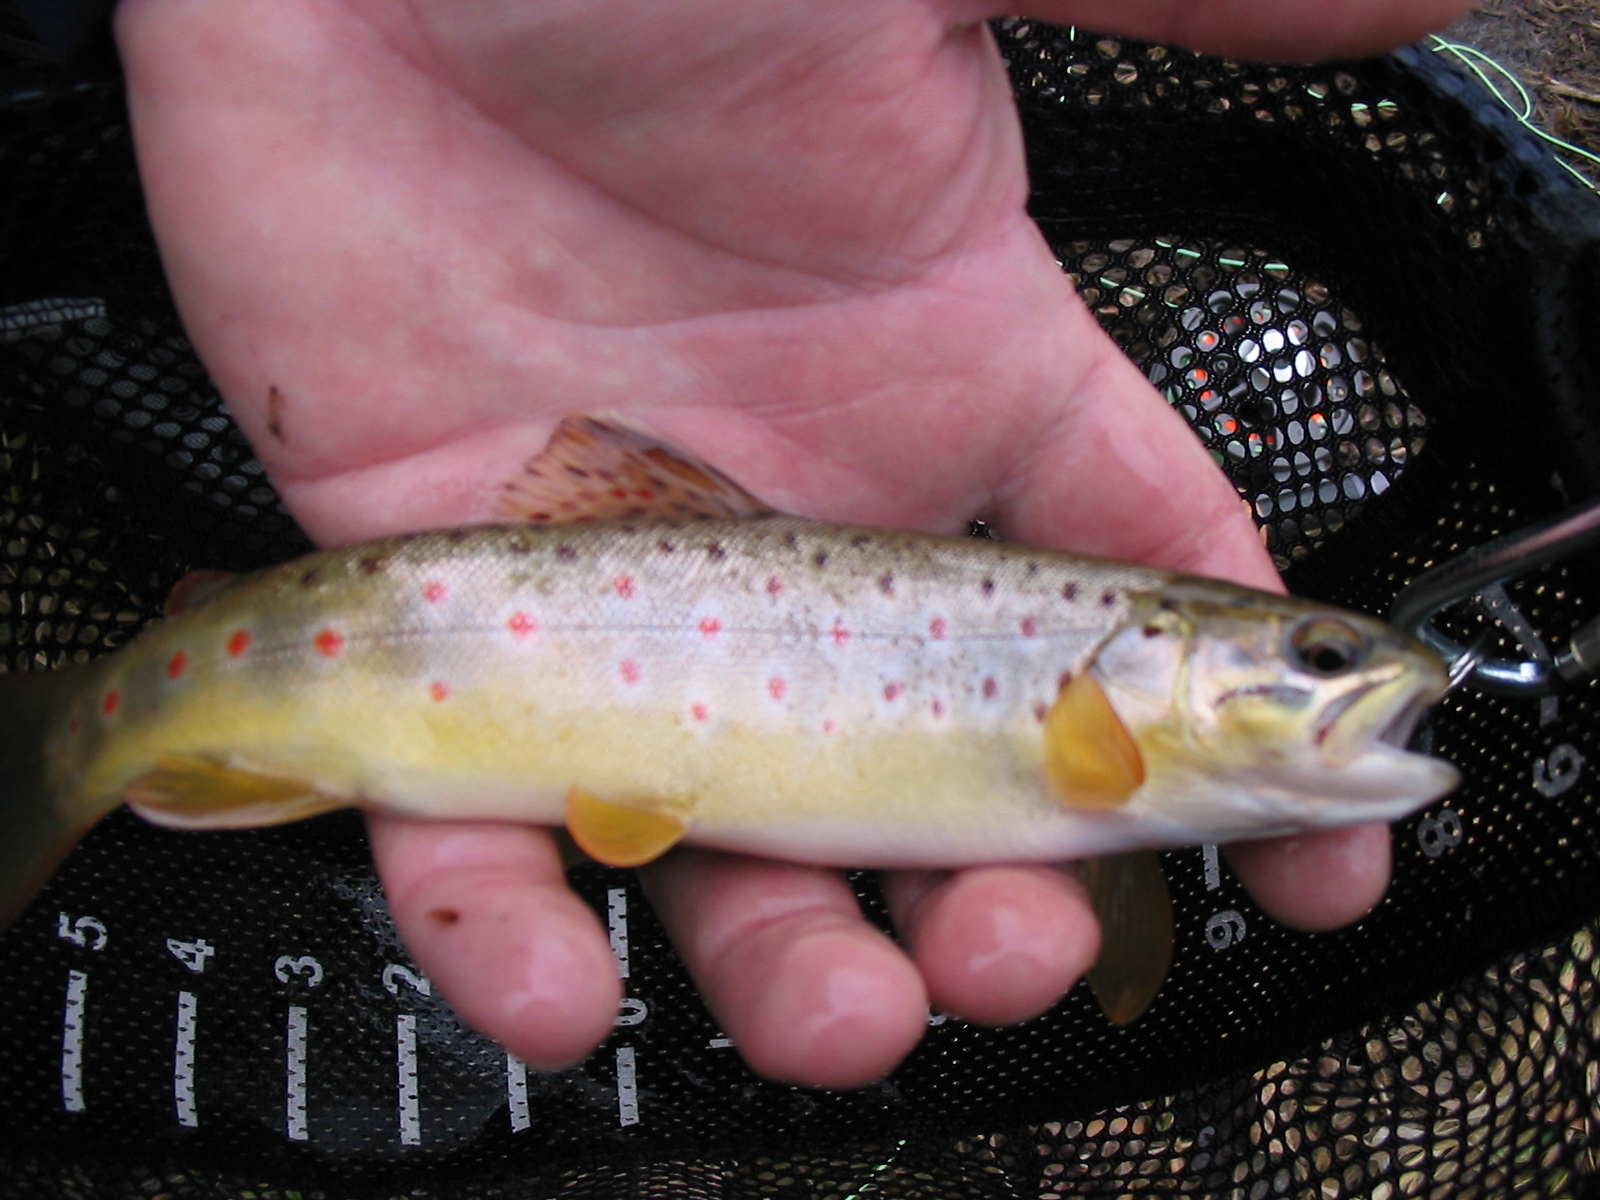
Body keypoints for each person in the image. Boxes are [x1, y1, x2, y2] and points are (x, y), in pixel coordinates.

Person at [110, 0, 1475, 1090]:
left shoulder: (1115, 764)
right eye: (1317, 652)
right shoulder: (1100, 751)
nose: (1357, 670)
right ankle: (84, 736)